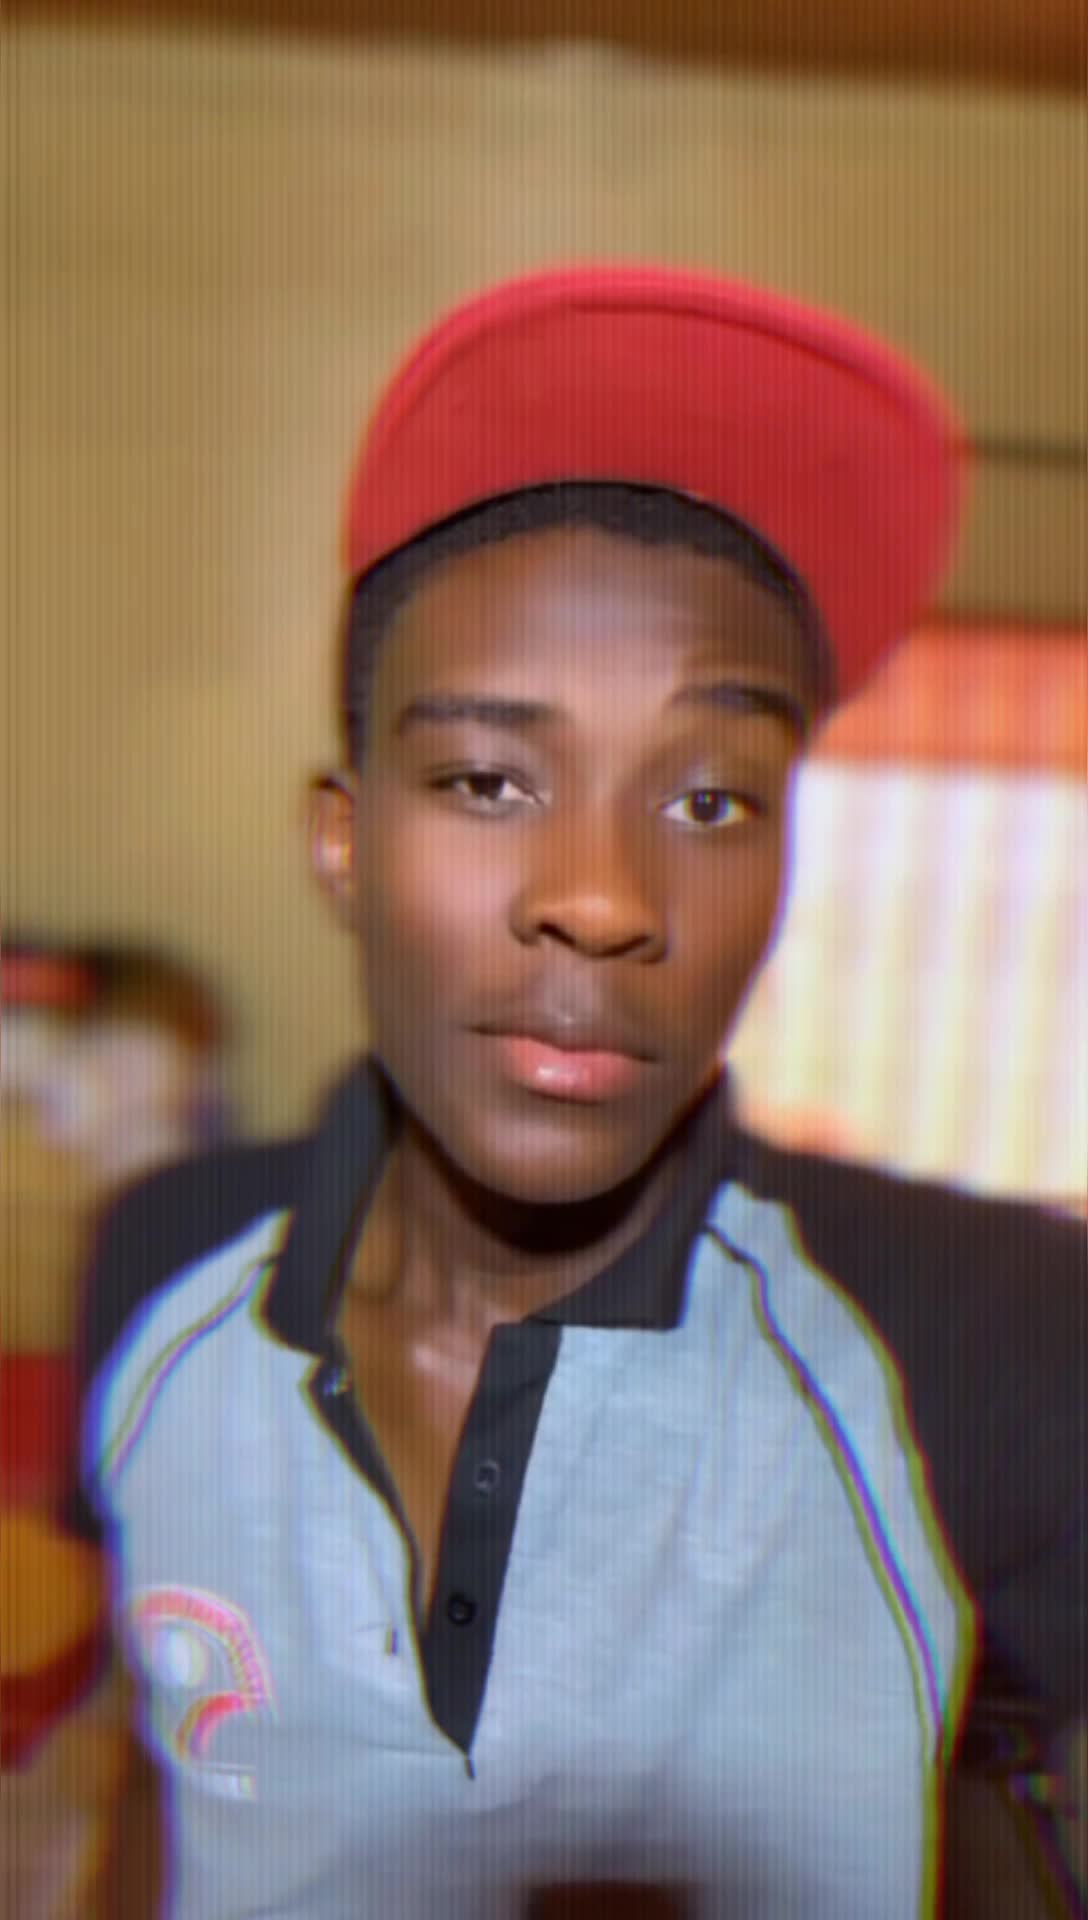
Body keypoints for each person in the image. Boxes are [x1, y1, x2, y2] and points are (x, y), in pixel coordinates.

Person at [58, 267, 1084, 1917]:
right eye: (487, 779)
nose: (602, 899)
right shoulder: (159, 1262)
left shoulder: (992, 1338)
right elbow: (155, 1769)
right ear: (343, 842)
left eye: (710, 800)